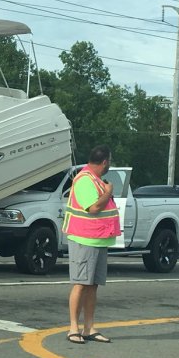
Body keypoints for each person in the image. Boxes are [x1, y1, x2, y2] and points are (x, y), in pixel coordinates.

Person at [61, 145, 121, 344]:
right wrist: (108, 192)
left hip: (98, 239)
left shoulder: (95, 180)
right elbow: (94, 208)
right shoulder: (85, 180)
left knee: (92, 285)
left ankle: (89, 328)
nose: (109, 165)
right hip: (84, 239)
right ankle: (73, 328)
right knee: (80, 284)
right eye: (109, 161)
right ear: (104, 162)